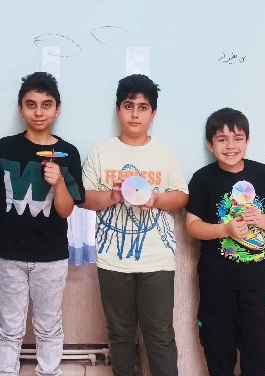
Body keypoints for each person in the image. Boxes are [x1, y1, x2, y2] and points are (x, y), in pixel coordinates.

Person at [0, 72, 85, 376]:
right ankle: (5, 371)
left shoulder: (68, 153)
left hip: (51, 257)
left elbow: (66, 211)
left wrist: (59, 182)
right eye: (31, 104)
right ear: (20, 109)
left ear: (57, 109)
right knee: (8, 325)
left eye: (46, 104)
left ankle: (49, 371)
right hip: (6, 255)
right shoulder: (5, 148)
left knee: (48, 325)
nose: (39, 112)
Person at [81, 74, 188, 376]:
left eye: (143, 107)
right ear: (118, 110)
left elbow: (181, 196)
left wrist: (155, 199)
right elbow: (84, 198)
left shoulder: (164, 153)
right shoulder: (101, 151)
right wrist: (113, 196)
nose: (135, 114)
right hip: (112, 261)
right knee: (120, 335)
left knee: (160, 335)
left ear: (153, 114)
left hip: (157, 260)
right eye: (129, 106)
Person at [186, 108, 265, 376]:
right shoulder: (202, 179)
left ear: (247, 141)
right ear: (210, 145)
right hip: (216, 282)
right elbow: (192, 226)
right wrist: (225, 229)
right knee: (218, 350)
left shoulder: (262, 174)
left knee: (260, 352)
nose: (230, 146)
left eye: (238, 138)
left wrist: (261, 219)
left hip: (256, 283)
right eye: (222, 139)